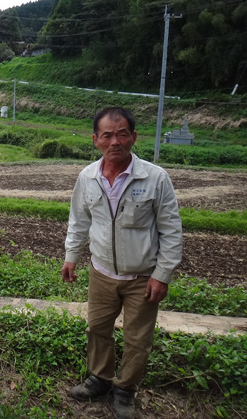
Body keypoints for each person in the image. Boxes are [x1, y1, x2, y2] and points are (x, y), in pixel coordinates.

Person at [62, 107, 182, 419]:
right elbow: (78, 221)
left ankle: (125, 390)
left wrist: (162, 274)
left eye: (122, 134)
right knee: (98, 328)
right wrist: (71, 257)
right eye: (107, 135)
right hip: (101, 271)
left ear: (133, 137)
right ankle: (100, 379)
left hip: (143, 275)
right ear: (96, 140)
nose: (115, 141)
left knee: (137, 338)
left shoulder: (155, 178)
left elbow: (171, 230)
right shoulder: (87, 178)